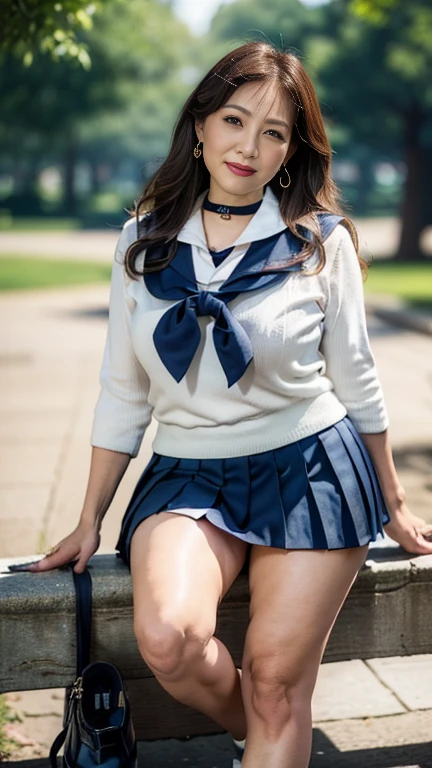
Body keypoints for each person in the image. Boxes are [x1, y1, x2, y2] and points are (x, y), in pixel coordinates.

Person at [25, 41, 432, 768]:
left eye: (273, 132)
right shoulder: (141, 244)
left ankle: (276, 722)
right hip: (188, 473)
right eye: (235, 120)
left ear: (290, 152)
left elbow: (359, 379)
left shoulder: (320, 243)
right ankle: (270, 729)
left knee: (279, 682)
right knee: (171, 640)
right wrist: (88, 520)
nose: (248, 146)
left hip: (311, 469)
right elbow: (124, 391)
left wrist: (394, 504)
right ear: (201, 125)